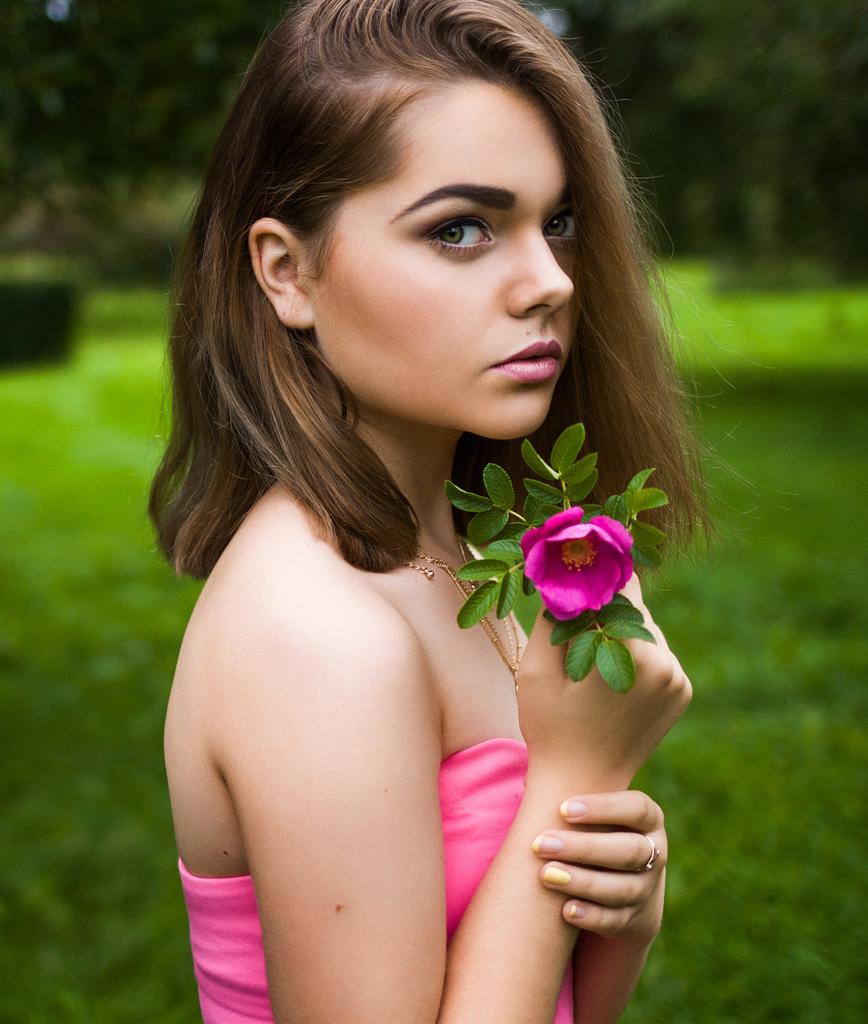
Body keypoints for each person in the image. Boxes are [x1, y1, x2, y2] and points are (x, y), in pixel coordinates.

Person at [149, 1, 703, 1020]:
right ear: (286, 272)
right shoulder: (316, 634)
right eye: (459, 229)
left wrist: (620, 908)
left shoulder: (457, 553)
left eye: (559, 221)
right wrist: (574, 769)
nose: (545, 281)